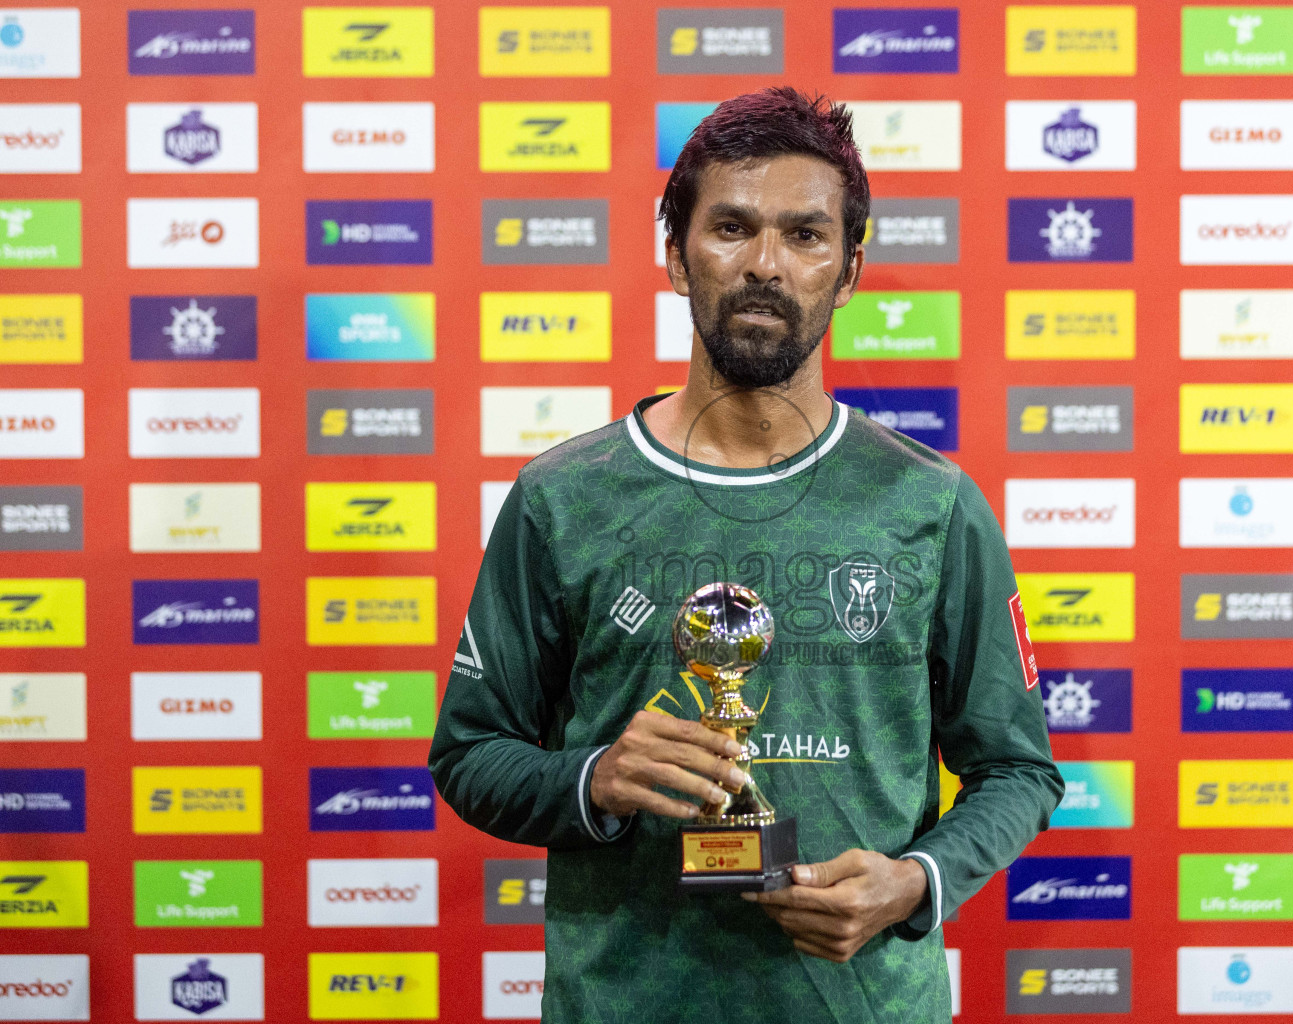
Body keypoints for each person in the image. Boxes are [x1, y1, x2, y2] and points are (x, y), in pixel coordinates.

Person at [430, 86, 1063, 1024]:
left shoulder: (932, 503)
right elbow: (470, 754)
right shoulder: (562, 499)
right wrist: (593, 778)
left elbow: (1020, 770)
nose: (766, 264)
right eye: (731, 227)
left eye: (805, 236)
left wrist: (914, 882)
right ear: (676, 256)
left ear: (849, 270)